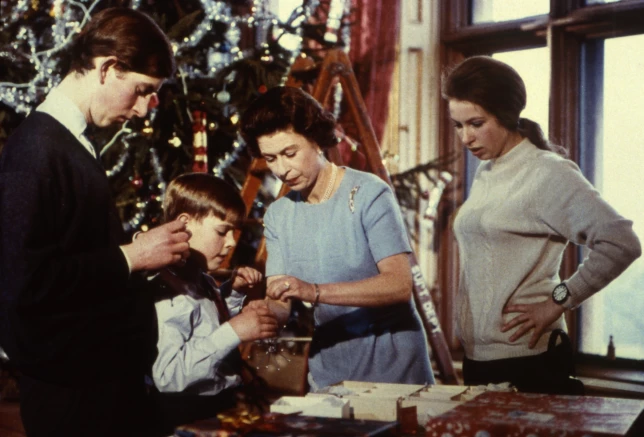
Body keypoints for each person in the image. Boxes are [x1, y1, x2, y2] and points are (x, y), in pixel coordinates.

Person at [0, 8, 192, 436]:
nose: (145, 110)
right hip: (71, 396)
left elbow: (75, 256)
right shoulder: (36, 150)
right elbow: (26, 284)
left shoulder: (67, 144)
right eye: (142, 90)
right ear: (108, 68)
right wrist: (132, 255)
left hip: (95, 386)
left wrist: (143, 257)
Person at [442, 56, 642, 394]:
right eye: (458, 125)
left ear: (506, 115)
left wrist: (557, 301)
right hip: (481, 360)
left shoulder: (547, 172)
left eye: (476, 123)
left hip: (528, 360)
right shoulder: (488, 169)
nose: (466, 137)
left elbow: (621, 242)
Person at [239, 86, 435, 391]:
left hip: (395, 369)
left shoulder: (369, 193)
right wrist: (264, 312)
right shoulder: (279, 215)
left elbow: (399, 285)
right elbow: (281, 303)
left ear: (316, 140)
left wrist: (314, 291)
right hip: (330, 370)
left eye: (290, 153)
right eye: (270, 158)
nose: (282, 169)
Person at [148, 173, 278, 434]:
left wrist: (234, 293)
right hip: (186, 417)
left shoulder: (198, 279)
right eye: (222, 231)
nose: (231, 242)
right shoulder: (168, 293)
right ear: (184, 224)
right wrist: (235, 331)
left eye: (233, 232)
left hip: (219, 408)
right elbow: (169, 375)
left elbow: (203, 327)